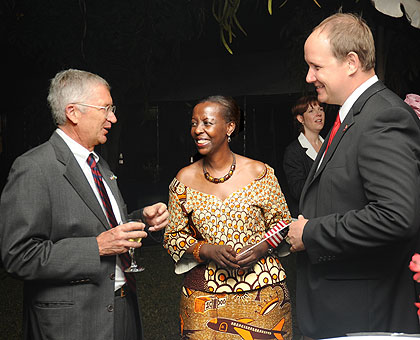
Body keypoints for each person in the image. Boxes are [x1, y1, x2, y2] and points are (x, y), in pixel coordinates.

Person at [0, 69, 169, 340]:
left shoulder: (99, 163)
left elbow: (107, 226)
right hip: (72, 323)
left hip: (124, 309)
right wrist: (96, 248)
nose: (113, 118)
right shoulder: (34, 167)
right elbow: (18, 256)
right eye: (106, 108)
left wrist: (142, 221)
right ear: (73, 112)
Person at [286, 13, 420, 338]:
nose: (309, 76)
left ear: (350, 62)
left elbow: (396, 216)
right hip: (340, 309)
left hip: (363, 316)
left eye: (316, 66)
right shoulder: (354, 115)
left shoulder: (383, 116)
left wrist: (311, 232)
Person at [163, 95, 293, 340]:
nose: (198, 130)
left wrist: (263, 246)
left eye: (207, 123)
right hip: (204, 299)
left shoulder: (259, 173)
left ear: (230, 127)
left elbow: (283, 222)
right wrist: (206, 250)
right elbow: (172, 237)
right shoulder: (183, 180)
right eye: (193, 123)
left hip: (264, 293)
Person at [283, 95, 325, 217]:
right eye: (311, 111)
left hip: (332, 214)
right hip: (307, 217)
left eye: (320, 109)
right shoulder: (293, 151)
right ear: (300, 118)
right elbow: (297, 191)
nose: (318, 114)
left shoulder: (331, 144)